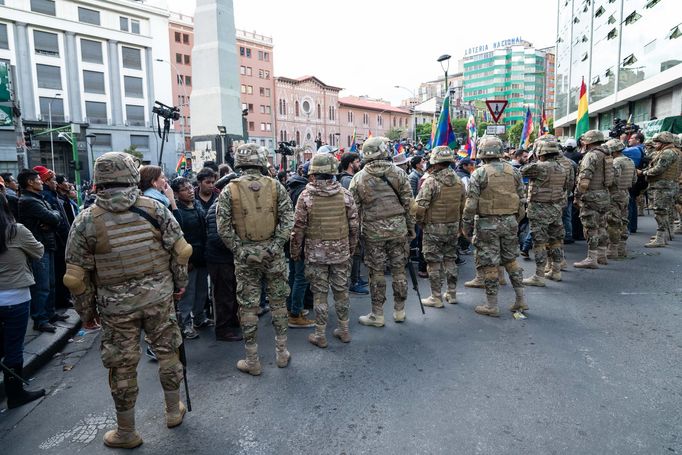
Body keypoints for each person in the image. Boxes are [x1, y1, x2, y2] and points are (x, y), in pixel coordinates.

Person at [63, 152, 192, 448]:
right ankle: (173, 410)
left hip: (115, 306)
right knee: (168, 353)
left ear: (98, 182)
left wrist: (86, 313)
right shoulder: (155, 209)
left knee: (122, 366)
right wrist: (178, 285)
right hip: (158, 297)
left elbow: (75, 278)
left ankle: (126, 432)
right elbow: (181, 251)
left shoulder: (85, 220)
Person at [216, 143, 294, 375]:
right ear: (261, 161)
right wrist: (274, 246)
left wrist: (241, 251)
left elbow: (223, 227)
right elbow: (288, 220)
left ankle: (252, 360)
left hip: (246, 257)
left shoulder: (230, 190)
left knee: (248, 307)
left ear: (239, 162)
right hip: (274, 256)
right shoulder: (276, 186)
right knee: (279, 303)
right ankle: (281, 353)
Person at [290, 153, 359, 348]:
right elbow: (354, 226)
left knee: (319, 294)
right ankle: (344, 330)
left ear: (313, 174)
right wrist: (351, 248)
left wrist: (296, 253)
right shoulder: (345, 194)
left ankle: (320, 334)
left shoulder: (305, 196)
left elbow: (298, 229)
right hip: (341, 252)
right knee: (341, 292)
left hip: (316, 254)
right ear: (333, 173)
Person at [349, 136, 415, 327]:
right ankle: (400, 311)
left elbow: (355, 210)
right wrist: (410, 228)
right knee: (399, 270)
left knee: (376, 272)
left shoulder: (359, 178)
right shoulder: (399, 173)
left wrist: (355, 236)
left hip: (372, 232)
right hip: (398, 230)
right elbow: (409, 204)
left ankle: (377, 315)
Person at [462, 136, 526, 317]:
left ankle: (492, 305)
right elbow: (522, 200)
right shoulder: (514, 171)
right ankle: (521, 299)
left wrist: (466, 225)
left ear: (482, 152)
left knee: (490, 264)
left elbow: (471, 203)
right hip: (510, 222)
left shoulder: (479, 173)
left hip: (487, 224)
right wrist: (516, 220)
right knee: (511, 260)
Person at [0, 193, 46, 409]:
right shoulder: (16, 231)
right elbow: (38, 251)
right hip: (15, 296)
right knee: (13, 347)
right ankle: (15, 394)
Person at [414, 146, 465, 307]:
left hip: (433, 228)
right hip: (452, 226)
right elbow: (464, 205)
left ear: (434, 162)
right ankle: (452, 293)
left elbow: (420, 207)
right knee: (450, 260)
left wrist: (420, 222)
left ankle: (436, 297)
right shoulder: (458, 181)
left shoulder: (431, 181)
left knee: (434, 263)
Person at [17, 169, 64, 332]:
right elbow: (53, 217)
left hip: (47, 244)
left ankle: (50, 314)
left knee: (50, 283)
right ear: (30, 182)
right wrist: (52, 219)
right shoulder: (28, 201)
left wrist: (52, 218)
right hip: (38, 247)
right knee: (42, 286)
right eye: (38, 179)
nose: (41, 182)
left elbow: (55, 215)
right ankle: (40, 319)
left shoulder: (38, 198)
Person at [519, 139, 569, 286]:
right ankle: (556, 271)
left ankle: (539, 275)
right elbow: (565, 187)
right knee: (556, 241)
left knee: (539, 242)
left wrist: (532, 159)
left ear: (540, 153)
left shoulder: (539, 167)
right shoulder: (562, 168)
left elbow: (522, 171)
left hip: (540, 209)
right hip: (555, 208)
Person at [172, 177, 212, 339]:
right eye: (184, 189)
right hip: (187, 258)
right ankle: (186, 324)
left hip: (202, 254)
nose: (189, 191)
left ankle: (199, 318)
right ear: (176, 193)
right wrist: (184, 261)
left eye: (190, 187)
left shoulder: (197, 205)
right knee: (188, 293)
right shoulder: (176, 211)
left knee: (202, 290)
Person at [206, 175, 242, 342]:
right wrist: (238, 247)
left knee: (233, 292)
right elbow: (217, 237)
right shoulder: (218, 207)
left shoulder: (230, 205)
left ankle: (232, 321)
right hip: (220, 260)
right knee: (224, 296)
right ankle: (223, 329)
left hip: (228, 258)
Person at [573, 130, 614, 268]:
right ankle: (602, 255)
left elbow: (585, 179)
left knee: (591, 228)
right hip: (604, 195)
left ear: (588, 141)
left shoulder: (591, 155)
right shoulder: (606, 155)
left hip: (591, 196)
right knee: (602, 225)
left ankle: (592, 259)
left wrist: (578, 195)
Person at [285, 162, 316, 327]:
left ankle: (292, 307)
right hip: (300, 241)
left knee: (294, 276)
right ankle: (295, 314)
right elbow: (300, 223)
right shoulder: (303, 193)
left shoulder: (294, 188)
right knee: (301, 277)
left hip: (291, 240)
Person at [640, 131, 680, 247]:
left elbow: (659, 169)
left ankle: (660, 238)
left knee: (660, 212)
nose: (655, 144)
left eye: (657, 142)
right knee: (666, 211)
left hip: (663, 186)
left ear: (664, 142)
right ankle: (664, 235)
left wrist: (643, 173)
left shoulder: (667, 153)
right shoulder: (676, 152)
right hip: (670, 185)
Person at [605, 139, 637, 258]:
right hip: (625, 193)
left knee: (612, 221)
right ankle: (622, 247)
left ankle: (612, 249)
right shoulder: (630, 161)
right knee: (623, 220)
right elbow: (634, 180)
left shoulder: (616, 162)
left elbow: (613, 180)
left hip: (614, 194)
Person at [624, 132, 646, 233]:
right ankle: (632, 226)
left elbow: (620, 150)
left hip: (634, 177)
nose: (629, 139)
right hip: (638, 178)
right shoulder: (641, 148)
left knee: (630, 203)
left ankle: (629, 226)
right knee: (632, 202)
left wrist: (620, 141)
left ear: (638, 140)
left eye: (632, 138)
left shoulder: (635, 149)